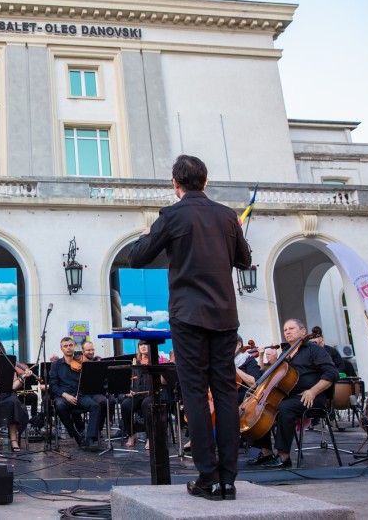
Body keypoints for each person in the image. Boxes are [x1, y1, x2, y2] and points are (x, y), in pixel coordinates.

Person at [128, 154, 251, 501]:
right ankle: (229, 480)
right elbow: (243, 260)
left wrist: (149, 232)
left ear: (175, 183)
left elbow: (138, 257)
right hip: (225, 316)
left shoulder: (171, 214)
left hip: (188, 315)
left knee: (195, 393)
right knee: (225, 393)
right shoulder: (228, 215)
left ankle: (207, 478)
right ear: (206, 181)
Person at [245, 319, 339, 469]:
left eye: (291, 328)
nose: (287, 332)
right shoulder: (286, 353)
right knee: (263, 407)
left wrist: (313, 391)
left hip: (311, 397)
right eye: (285, 329)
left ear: (303, 331)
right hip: (289, 395)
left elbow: (332, 373)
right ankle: (266, 451)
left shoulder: (314, 350)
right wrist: (270, 361)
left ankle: (283, 456)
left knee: (284, 408)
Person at [49, 336, 102, 451]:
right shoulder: (56, 364)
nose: (68, 348)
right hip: (63, 396)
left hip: (79, 395)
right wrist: (65, 395)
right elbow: (53, 385)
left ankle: (90, 438)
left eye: (70, 345)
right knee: (59, 406)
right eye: (65, 346)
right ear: (61, 349)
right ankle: (75, 436)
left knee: (95, 406)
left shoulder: (80, 362)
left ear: (74, 347)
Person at [80, 341, 116, 437]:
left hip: (97, 391)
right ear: (82, 351)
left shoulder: (96, 362)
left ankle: (108, 421)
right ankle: (96, 430)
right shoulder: (78, 363)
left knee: (111, 400)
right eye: (88, 350)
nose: (91, 352)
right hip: (85, 393)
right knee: (102, 402)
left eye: (92, 350)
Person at [235, 335, 262, 404]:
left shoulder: (248, 359)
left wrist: (235, 369)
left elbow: (255, 384)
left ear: (239, 344)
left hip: (244, 396)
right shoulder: (225, 362)